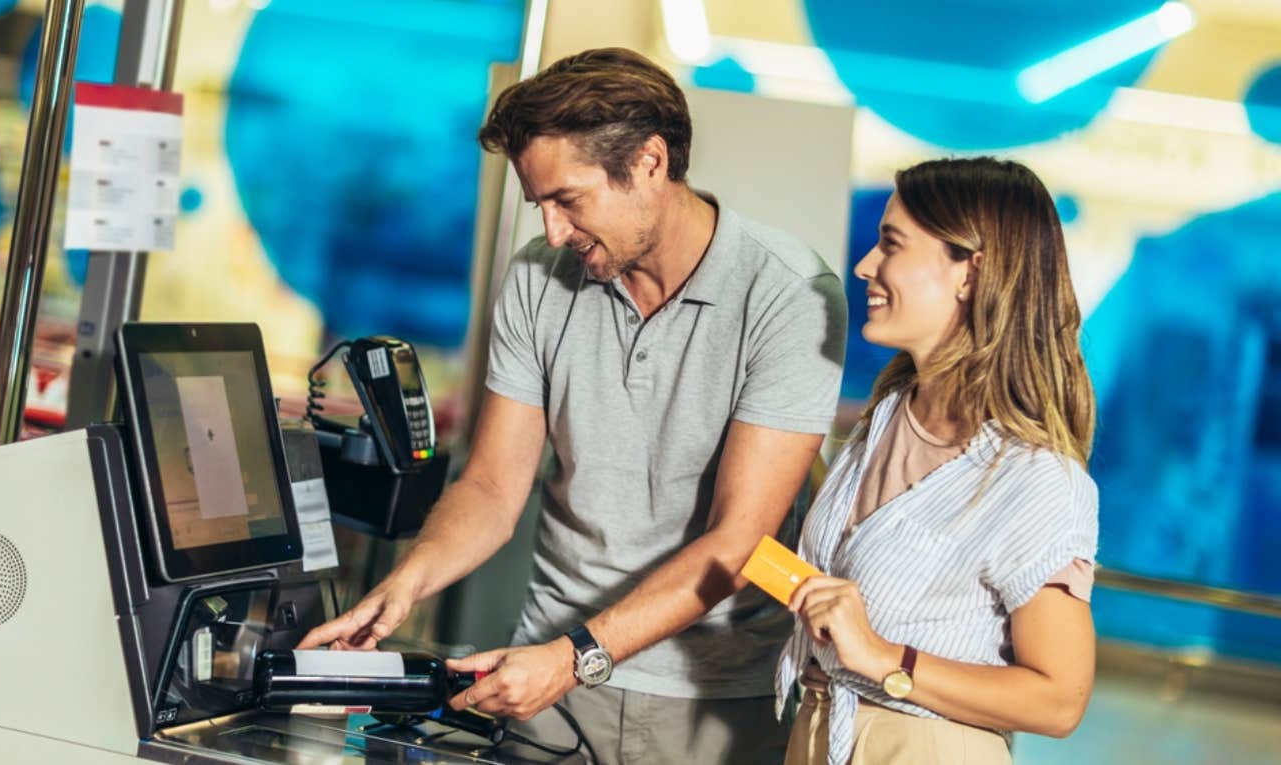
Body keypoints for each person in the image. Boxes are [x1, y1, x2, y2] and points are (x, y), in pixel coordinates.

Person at [300, 47, 848, 763]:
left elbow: (739, 540)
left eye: (569, 200)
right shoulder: (538, 277)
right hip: (547, 683)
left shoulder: (789, 295)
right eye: (541, 205)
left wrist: (575, 655)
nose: (553, 231)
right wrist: (408, 582)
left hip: (710, 699)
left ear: (651, 163)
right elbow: (494, 484)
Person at [777, 157, 1098, 765]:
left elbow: (1060, 701)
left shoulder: (1036, 479)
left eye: (890, 245)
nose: (865, 266)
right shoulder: (887, 415)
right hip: (817, 734)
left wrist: (883, 658)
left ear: (971, 273)